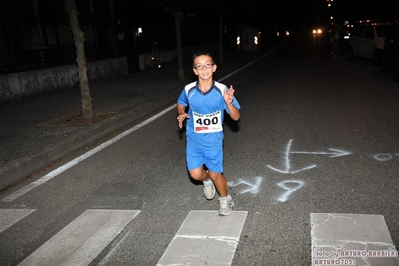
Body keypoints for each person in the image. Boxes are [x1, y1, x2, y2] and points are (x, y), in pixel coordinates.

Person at [176, 51, 241, 216]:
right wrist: (182, 112)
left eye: (208, 65)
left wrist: (229, 103)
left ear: (214, 68)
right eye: (200, 66)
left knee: (214, 173)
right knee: (196, 174)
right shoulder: (189, 89)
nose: (204, 69)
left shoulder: (222, 90)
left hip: (213, 139)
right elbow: (181, 102)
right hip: (194, 138)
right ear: (195, 71)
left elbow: (236, 116)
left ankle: (225, 200)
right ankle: (207, 182)